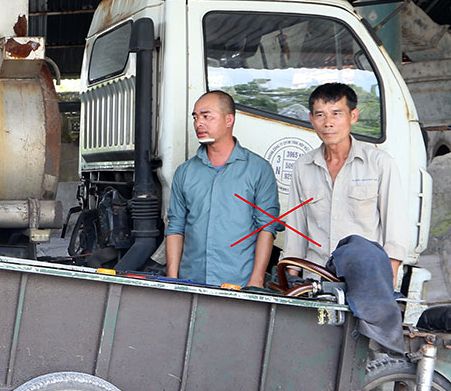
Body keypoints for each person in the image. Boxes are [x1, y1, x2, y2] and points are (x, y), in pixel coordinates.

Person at [282, 82, 408, 285]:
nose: (328, 123)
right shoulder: (303, 166)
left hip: (366, 279)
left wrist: (387, 282)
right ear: (311, 119)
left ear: (353, 116)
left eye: (336, 114)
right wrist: (291, 278)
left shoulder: (379, 163)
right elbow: (296, 230)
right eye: (320, 115)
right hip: (315, 279)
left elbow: (395, 232)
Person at [165, 90, 281, 288]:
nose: (199, 123)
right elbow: (176, 226)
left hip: (239, 283)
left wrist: (256, 280)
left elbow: (266, 227)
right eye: (195, 117)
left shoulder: (258, 169)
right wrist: (172, 278)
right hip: (191, 281)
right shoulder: (185, 172)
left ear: (229, 120)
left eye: (206, 116)